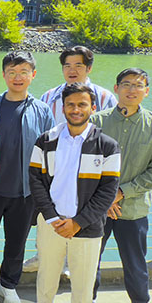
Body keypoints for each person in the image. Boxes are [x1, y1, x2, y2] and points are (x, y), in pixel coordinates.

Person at [24, 83, 120, 303]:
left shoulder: (107, 146)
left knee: (82, 285)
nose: (76, 110)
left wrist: (77, 223)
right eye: (71, 105)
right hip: (50, 224)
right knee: (46, 279)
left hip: (87, 229)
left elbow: (107, 191)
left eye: (82, 105)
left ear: (92, 107)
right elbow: (36, 181)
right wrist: (53, 218)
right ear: (63, 107)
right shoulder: (46, 141)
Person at [0, 52, 55, 303]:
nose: (18, 78)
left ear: (33, 75)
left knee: (16, 242)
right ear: (4, 75)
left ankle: (8, 285)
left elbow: (50, 152)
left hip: (25, 191)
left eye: (23, 72)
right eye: (12, 72)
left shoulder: (42, 111)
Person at [91, 68, 152, 303]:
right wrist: (106, 197)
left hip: (134, 210)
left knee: (135, 263)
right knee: (90, 261)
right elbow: (86, 166)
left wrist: (121, 193)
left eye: (138, 85)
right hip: (96, 209)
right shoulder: (96, 121)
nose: (132, 89)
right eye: (126, 84)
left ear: (146, 91)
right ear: (115, 88)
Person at [25, 45, 117, 274]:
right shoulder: (49, 96)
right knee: (49, 218)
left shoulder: (105, 98)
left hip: (89, 175)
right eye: (67, 65)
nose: (72, 70)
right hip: (55, 171)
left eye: (78, 65)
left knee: (83, 223)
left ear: (89, 68)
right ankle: (43, 255)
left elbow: (111, 145)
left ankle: (71, 266)